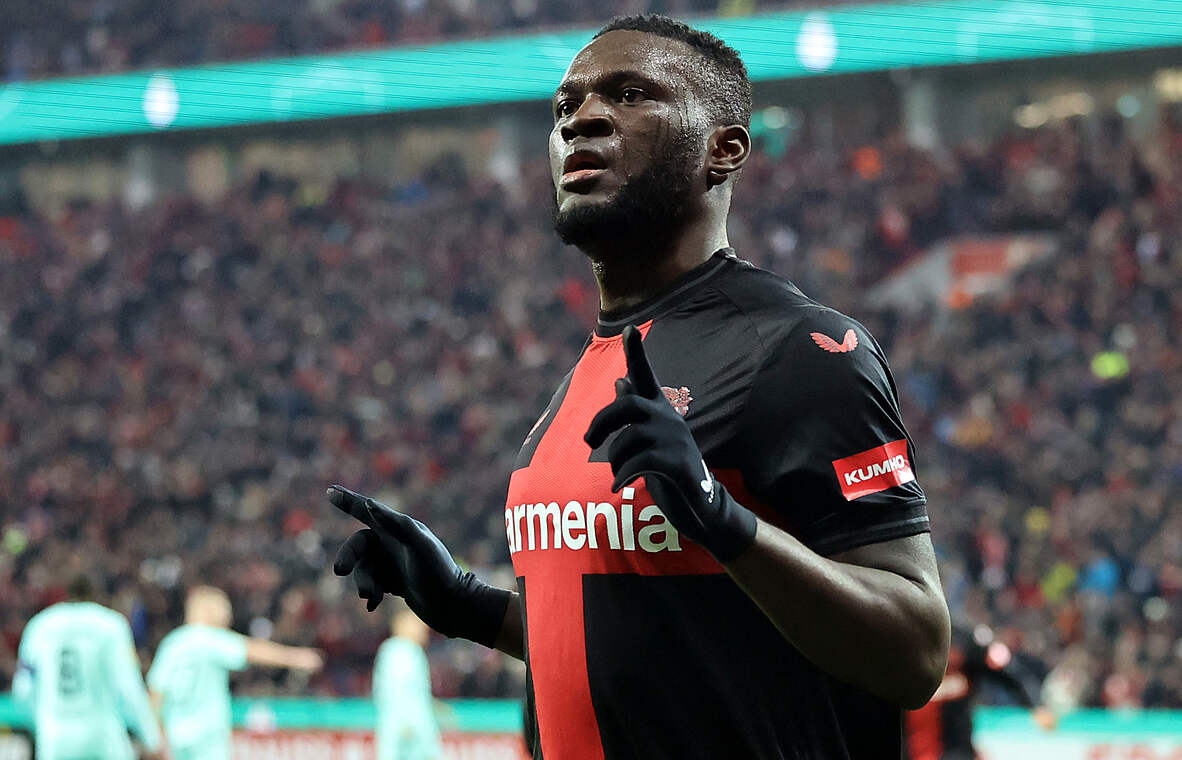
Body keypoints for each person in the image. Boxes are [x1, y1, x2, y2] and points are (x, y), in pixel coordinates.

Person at [327, 14, 950, 758]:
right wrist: (467, 604)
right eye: (565, 109)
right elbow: (663, 634)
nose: (583, 119)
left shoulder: (800, 349)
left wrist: (724, 519)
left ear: (724, 151)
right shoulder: (595, 363)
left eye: (629, 95)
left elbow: (914, 652)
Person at [147, 585, 323, 760]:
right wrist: (297, 657)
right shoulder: (209, 638)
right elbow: (251, 650)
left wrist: (153, 736)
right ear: (208, 609)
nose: (228, 618)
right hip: (207, 739)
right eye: (223, 610)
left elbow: (156, 692)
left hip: (177, 738)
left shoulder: (172, 644)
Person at [11, 576, 163, 760]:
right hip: (102, 737)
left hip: (55, 738)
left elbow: (22, 689)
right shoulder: (110, 624)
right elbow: (128, 686)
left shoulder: (40, 626)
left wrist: (42, 723)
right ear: (95, 595)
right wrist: (152, 739)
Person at [905, 625, 1057, 760]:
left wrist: (1036, 705)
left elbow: (1007, 675)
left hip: (957, 751)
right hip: (911, 749)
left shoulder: (965, 642)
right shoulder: (900, 642)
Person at [373, 604, 442, 760]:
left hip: (417, 731)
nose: (424, 627)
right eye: (418, 621)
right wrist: (405, 723)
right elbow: (396, 693)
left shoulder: (412, 651)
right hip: (406, 733)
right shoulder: (398, 651)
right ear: (402, 623)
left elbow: (415, 693)